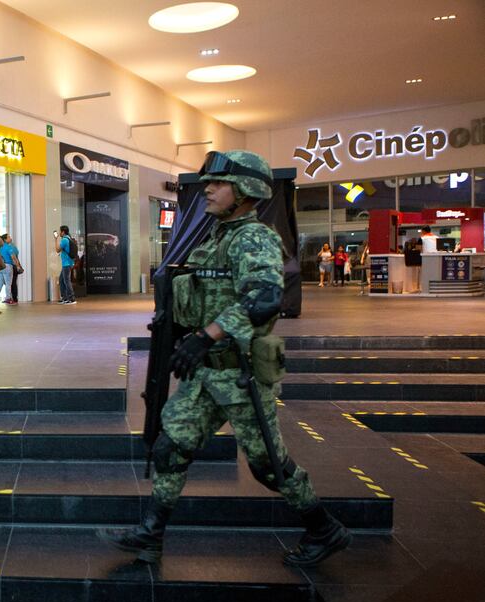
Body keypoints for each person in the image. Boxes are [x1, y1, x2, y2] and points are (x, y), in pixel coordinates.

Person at [96, 150, 351, 568]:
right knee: (170, 446)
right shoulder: (217, 236)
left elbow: (265, 298)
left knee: (268, 465)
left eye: (219, 183)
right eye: (208, 183)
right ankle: (151, 534)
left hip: (241, 374)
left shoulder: (254, 237)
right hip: (205, 372)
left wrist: (205, 335)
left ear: (246, 191)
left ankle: (324, 528)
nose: (208, 190)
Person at [0, 233, 19, 305]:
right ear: (5, 239)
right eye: (8, 237)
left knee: (0, 283)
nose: (10, 238)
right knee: (8, 283)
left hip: (0, 267)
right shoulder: (9, 247)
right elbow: (13, 257)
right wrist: (17, 265)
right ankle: (8, 298)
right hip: (8, 266)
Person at [56, 225, 76, 304]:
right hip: (68, 263)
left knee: (66, 280)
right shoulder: (69, 238)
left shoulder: (64, 239)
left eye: (60, 231)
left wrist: (55, 239)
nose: (59, 233)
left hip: (66, 263)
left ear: (63, 232)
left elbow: (57, 250)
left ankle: (71, 298)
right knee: (61, 280)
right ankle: (64, 298)